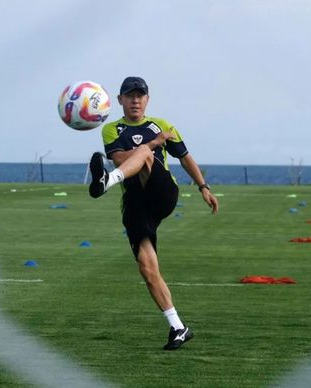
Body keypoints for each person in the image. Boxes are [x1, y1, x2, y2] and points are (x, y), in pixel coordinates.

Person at [87, 76, 219, 350]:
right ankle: (178, 328)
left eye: (140, 95)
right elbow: (120, 159)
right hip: (136, 203)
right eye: (130, 95)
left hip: (162, 193)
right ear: (120, 99)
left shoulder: (163, 126)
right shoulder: (112, 129)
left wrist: (203, 187)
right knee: (148, 269)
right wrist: (152, 143)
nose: (135, 100)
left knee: (146, 154)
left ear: (147, 99)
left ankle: (106, 183)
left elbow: (185, 156)